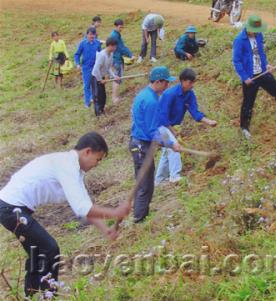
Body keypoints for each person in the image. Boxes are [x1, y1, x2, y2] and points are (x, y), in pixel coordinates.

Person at [0, 132, 131, 298]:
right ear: (87, 152)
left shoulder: (74, 170)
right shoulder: (66, 165)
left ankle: (32, 294)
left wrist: (106, 230)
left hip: (14, 208)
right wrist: (114, 212)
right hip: (11, 208)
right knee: (49, 248)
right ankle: (47, 294)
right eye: (98, 159)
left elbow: (85, 206)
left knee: (37, 251)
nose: (97, 164)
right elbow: (83, 208)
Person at [130, 66, 181, 223]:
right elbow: (153, 131)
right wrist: (171, 144)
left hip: (138, 143)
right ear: (158, 82)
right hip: (141, 146)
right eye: (166, 83)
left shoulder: (145, 94)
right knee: (145, 185)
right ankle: (139, 219)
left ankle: (141, 214)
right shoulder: (151, 101)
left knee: (144, 182)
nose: (167, 86)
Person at [232, 15, 276, 140]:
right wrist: (244, 77)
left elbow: (261, 53)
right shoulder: (240, 40)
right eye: (254, 30)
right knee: (248, 103)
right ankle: (244, 128)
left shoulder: (259, 36)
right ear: (248, 28)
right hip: (250, 77)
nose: (256, 32)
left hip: (262, 73)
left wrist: (266, 65)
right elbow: (236, 61)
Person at [155, 68, 217, 185]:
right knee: (175, 147)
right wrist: (172, 130)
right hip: (161, 125)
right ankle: (175, 176)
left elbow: (195, 112)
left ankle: (159, 180)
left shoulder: (189, 94)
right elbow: (162, 115)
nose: (192, 85)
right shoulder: (170, 94)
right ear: (183, 81)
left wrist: (208, 121)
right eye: (190, 82)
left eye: (193, 82)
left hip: (172, 126)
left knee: (167, 151)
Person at [91, 38, 120, 116]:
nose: (115, 48)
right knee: (97, 96)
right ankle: (98, 114)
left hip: (102, 77)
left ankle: (102, 110)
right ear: (110, 46)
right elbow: (96, 68)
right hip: (95, 77)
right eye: (114, 47)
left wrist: (114, 76)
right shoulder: (102, 55)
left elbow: (108, 68)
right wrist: (100, 80)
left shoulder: (111, 55)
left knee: (103, 96)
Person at [109, 19, 135, 104]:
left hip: (114, 58)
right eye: (120, 27)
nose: (121, 29)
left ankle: (115, 96)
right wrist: (130, 55)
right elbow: (121, 47)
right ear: (116, 26)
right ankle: (115, 98)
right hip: (117, 59)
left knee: (116, 77)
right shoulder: (115, 36)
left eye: (122, 27)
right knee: (118, 78)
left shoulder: (115, 34)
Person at [74, 28, 102, 108]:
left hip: (95, 67)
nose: (91, 36)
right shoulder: (82, 43)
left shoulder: (97, 43)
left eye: (93, 34)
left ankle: (94, 98)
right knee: (87, 85)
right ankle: (87, 102)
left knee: (96, 83)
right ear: (87, 35)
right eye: (90, 34)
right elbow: (77, 54)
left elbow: (100, 54)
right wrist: (77, 64)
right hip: (86, 67)